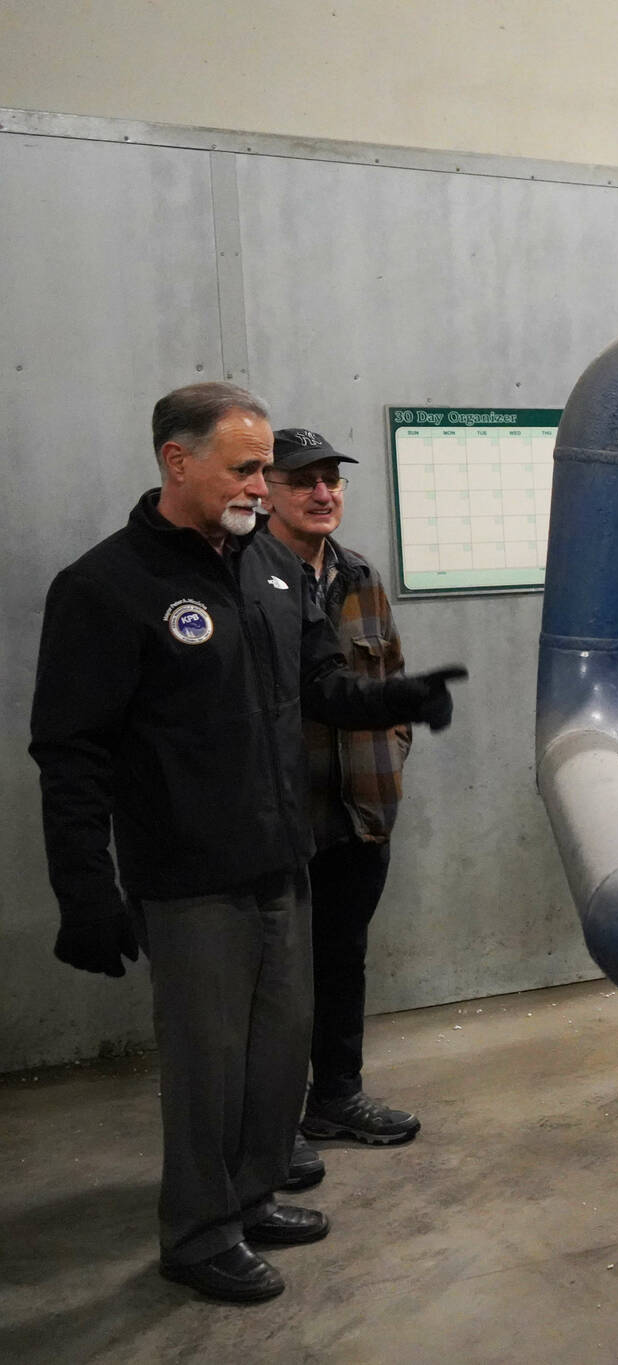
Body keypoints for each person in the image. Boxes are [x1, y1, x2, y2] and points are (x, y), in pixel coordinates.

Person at [29, 382, 466, 1304]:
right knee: (208, 1066)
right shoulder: (105, 588)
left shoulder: (267, 572)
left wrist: (394, 697)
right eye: (246, 466)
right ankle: (196, 1232)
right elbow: (71, 756)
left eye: (265, 466)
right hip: (190, 880)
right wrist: (86, 889)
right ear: (176, 461)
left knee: (278, 1052)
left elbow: (320, 684)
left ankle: (252, 1194)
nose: (263, 484)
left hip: (285, 858)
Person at [262, 429, 422, 1184]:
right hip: (279, 820)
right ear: (265, 489)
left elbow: (389, 671)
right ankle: (268, 1126)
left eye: (331, 480)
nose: (323, 493)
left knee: (341, 960)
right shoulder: (242, 577)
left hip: (359, 810)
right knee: (273, 978)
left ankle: (336, 1096)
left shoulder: (359, 574)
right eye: (304, 481)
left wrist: (391, 748)